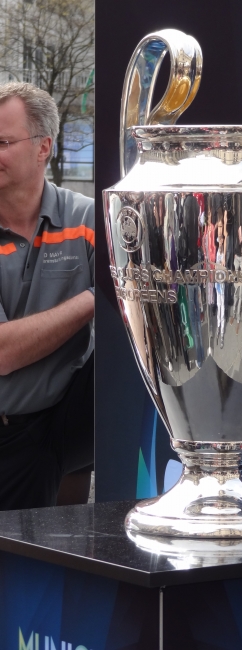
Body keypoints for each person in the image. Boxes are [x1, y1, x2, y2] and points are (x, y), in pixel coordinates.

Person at [0, 82, 94, 510]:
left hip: (62, 421)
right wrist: (92, 298)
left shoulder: (88, 219)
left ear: (44, 148)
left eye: (2, 142)